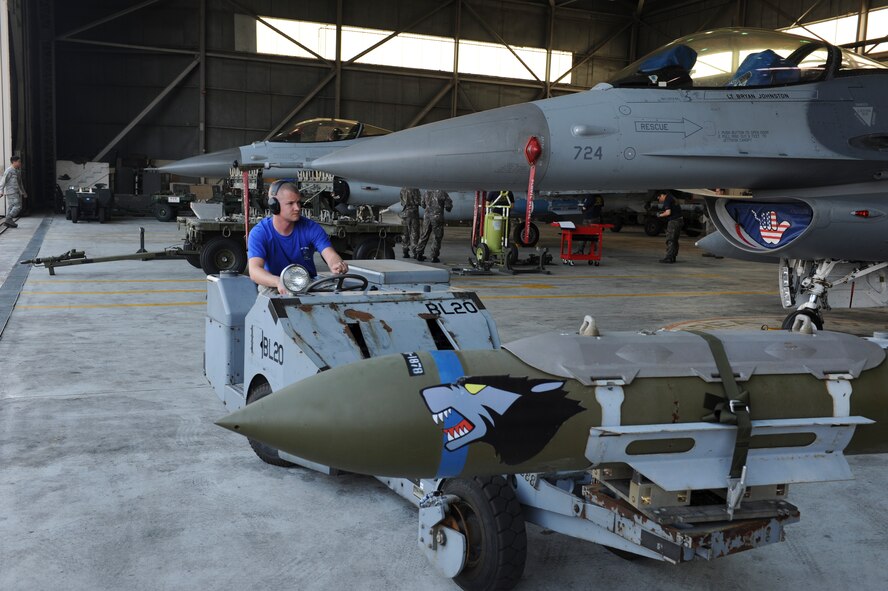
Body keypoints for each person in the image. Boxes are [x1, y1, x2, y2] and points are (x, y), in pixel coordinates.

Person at [248, 181, 348, 294]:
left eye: (298, 202)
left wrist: (336, 264)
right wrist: (278, 281)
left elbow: (329, 254)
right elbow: (255, 271)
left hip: (307, 282)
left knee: (338, 290)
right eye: (290, 203)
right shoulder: (260, 233)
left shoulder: (311, 228)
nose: (297, 208)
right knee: (268, 294)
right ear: (274, 206)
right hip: (275, 283)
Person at [414, 189, 452, 263]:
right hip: (437, 217)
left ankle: (419, 254)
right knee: (437, 237)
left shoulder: (426, 192)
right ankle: (434, 256)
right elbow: (448, 206)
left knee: (424, 235)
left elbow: (423, 204)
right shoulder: (442, 192)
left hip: (427, 217)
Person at [656, 190, 683, 263]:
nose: (659, 200)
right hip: (679, 220)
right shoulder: (672, 197)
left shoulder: (667, 199)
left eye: (659, 198)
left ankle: (669, 258)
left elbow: (668, 212)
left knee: (670, 239)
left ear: (662, 195)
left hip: (674, 222)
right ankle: (673, 257)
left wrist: (660, 215)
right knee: (675, 240)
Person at [0, 155, 25, 228]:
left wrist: (23, 192)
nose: (20, 163)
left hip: (16, 192)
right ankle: (8, 219)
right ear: (14, 162)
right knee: (18, 206)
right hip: (11, 192)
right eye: (19, 162)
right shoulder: (9, 171)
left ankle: (8, 223)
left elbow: (20, 183)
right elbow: (3, 182)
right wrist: (1, 191)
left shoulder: (17, 171)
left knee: (11, 207)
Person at [398, 187, 421, 258]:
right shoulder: (415, 189)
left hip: (405, 214)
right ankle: (415, 252)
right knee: (414, 233)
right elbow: (418, 201)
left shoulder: (402, 189)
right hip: (413, 214)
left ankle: (405, 251)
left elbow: (402, 202)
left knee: (405, 233)